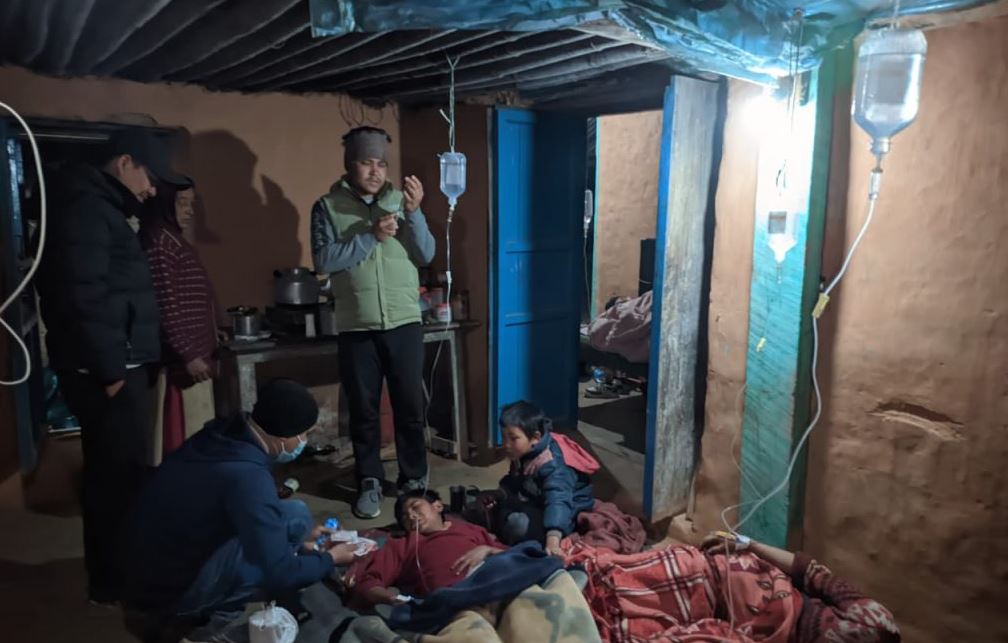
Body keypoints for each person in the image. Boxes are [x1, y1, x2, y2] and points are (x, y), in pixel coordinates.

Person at [36, 128, 189, 604]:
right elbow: (84, 294)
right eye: (150, 177)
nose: (152, 189)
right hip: (109, 369)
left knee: (120, 475)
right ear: (125, 162)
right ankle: (115, 580)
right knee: (115, 479)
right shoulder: (85, 209)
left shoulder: (100, 207)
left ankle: (118, 572)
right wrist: (111, 371)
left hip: (117, 363)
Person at [121, 379, 358, 642]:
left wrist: (301, 544)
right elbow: (279, 574)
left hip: (150, 564)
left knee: (296, 514)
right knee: (265, 571)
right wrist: (330, 559)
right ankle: (204, 625)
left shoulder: (223, 435)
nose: (304, 441)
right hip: (169, 593)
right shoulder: (247, 476)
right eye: (303, 435)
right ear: (282, 437)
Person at [310, 126, 435, 519]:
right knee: (363, 411)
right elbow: (324, 261)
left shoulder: (401, 201)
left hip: (404, 322)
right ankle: (370, 480)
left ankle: (413, 479)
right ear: (350, 165)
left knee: (409, 407)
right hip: (356, 327)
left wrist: (414, 213)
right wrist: (371, 235)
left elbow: (426, 254)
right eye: (366, 163)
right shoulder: (327, 206)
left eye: (381, 163)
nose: (375, 171)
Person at [563, 532, 901, 642]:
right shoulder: (877, 622)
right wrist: (747, 544)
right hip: (743, 580)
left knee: (620, 626)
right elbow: (809, 570)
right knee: (610, 579)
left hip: (733, 624)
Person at [139, 177, 226, 459]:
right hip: (181, 364)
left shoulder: (173, 239)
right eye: (182, 203)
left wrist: (213, 330)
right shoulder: (159, 242)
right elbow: (165, 304)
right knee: (180, 440)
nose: (189, 211)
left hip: (196, 356)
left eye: (192, 204)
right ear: (164, 204)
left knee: (197, 436)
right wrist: (188, 353)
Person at [353, 489, 505, 606]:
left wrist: (488, 550)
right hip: (458, 601)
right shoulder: (401, 544)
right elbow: (369, 582)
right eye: (405, 516)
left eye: (415, 507)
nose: (411, 516)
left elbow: (515, 555)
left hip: (500, 581)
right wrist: (388, 597)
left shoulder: (468, 529)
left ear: (438, 506)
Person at [483, 401, 597, 555]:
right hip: (537, 499)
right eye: (504, 437)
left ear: (536, 437)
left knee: (518, 524)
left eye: (513, 438)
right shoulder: (525, 451)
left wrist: (553, 541)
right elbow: (516, 479)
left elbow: (558, 501)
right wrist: (499, 493)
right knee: (494, 507)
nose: (506, 444)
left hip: (566, 512)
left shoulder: (553, 465)